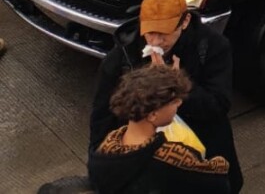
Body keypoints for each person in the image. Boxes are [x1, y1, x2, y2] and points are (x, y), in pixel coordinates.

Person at [89, 0, 242, 192]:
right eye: (150, 32)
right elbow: (101, 118)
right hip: (141, 162)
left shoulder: (212, 46)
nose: (156, 41)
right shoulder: (122, 58)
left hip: (201, 148)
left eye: (164, 33)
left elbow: (219, 105)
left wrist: (180, 86)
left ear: (185, 22)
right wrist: (100, 165)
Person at [89, 65, 231, 193]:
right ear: (153, 115)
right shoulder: (174, 157)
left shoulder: (106, 147)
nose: (179, 103)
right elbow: (218, 179)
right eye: (174, 101)